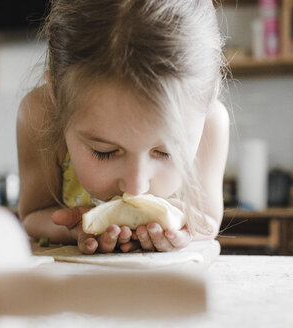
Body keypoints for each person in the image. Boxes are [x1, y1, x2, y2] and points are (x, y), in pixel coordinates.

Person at [17, 0, 230, 254]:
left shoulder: (211, 122)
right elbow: (33, 216)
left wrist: (185, 229)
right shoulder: (39, 114)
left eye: (166, 152)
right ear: (56, 97)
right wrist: (71, 229)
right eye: (103, 151)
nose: (136, 186)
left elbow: (208, 221)